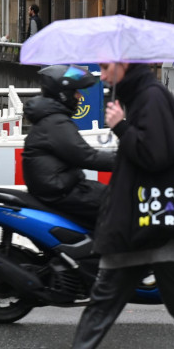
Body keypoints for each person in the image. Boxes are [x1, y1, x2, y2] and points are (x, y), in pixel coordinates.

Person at [19, 62, 174, 349]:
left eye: (105, 66)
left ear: (125, 63)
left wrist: (121, 127)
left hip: (158, 221)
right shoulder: (138, 96)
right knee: (107, 296)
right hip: (141, 221)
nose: (101, 75)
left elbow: (156, 155)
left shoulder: (151, 97)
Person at [22, 65, 115, 228]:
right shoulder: (55, 122)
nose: (79, 96)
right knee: (120, 205)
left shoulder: (51, 119)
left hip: (62, 187)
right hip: (61, 192)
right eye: (76, 92)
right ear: (64, 95)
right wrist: (126, 158)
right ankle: (109, 251)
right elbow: (86, 156)